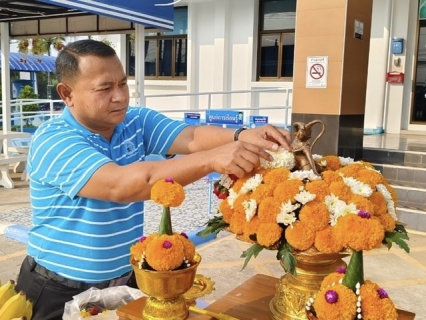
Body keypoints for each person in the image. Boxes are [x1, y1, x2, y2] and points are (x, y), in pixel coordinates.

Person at [15, 39, 291, 319]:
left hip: (126, 281)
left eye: (122, 84)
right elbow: (123, 185)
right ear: (67, 93)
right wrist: (212, 159)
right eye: (105, 88)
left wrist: (240, 135)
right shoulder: (55, 139)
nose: (120, 96)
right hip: (58, 290)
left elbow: (191, 137)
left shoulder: (134, 121)